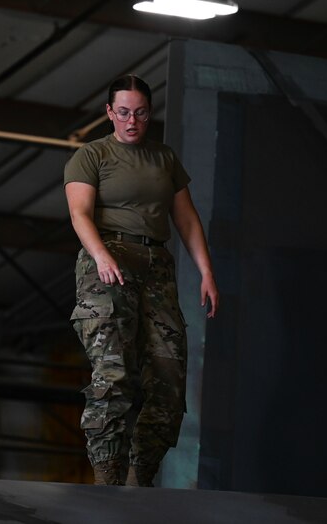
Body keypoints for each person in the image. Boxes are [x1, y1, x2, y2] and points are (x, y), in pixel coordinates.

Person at [64, 74, 219, 487]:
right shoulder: (91, 156)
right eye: (124, 112)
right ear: (110, 113)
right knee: (114, 373)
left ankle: (140, 475)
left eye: (142, 113)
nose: (133, 121)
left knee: (169, 380)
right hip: (108, 264)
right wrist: (101, 256)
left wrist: (206, 271)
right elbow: (80, 213)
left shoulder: (164, 159)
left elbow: (185, 219)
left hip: (157, 268)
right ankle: (107, 474)